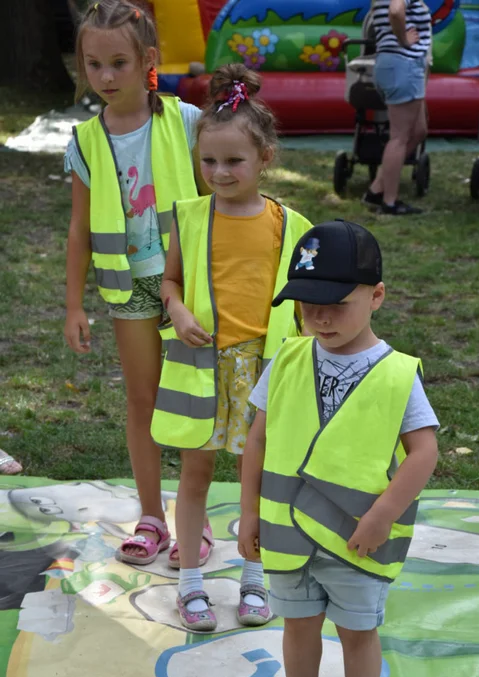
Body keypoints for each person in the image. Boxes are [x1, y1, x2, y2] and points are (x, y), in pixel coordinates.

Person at [238, 220, 439, 677]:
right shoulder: (286, 358)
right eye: (309, 307)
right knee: (298, 630)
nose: (321, 319)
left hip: (357, 539)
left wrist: (383, 516)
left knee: (357, 634)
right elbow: (257, 439)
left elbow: (424, 452)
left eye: (337, 305)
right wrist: (249, 512)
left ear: (377, 296)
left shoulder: (396, 374)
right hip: (287, 537)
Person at [152, 63, 313, 631]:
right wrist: (177, 309)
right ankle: (191, 585)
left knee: (261, 477)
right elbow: (168, 282)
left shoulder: (291, 224)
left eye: (233, 161)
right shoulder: (190, 219)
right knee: (194, 473)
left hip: (266, 373)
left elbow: (306, 304)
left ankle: (254, 578)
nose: (219, 172)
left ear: (265, 157)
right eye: (209, 161)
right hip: (202, 367)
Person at [64, 0, 206, 565]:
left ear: (148, 59)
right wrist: (74, 304)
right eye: (93, 64)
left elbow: (218, 198)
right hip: (128, 294)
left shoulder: (188, 120)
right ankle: (152, 516)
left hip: (187, 289)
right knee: (142, 400)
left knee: (196, 401)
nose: (104, 76)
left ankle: (192, 515)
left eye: (118, 63)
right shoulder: (84, 140)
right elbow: (78, 229)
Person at [364, 0, 432, 215]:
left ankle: (376, 189)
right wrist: (404, 40)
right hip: (403, 64)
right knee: (400, 137)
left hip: (396, 65)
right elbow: (396, 11)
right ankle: (389, 202)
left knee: (418, 130)